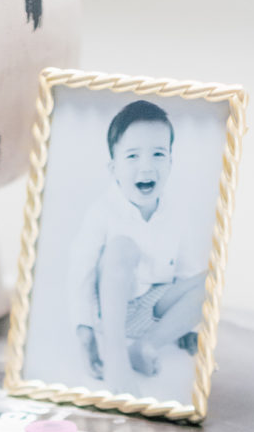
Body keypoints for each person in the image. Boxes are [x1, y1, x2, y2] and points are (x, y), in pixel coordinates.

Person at [69, 99, 206, 390]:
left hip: (154, 310)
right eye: (132, 156)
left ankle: (146, 346)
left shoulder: (176, 212)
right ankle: (117, 355)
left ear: (170, 162)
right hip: (112, 312)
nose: (146, 166)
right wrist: (85, 331)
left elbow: (187, 271)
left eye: (158, 154)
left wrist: (186, 324)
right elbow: (80, 270)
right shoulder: (102, 212)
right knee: (122, 247)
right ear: (113, 167)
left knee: (211, 280)